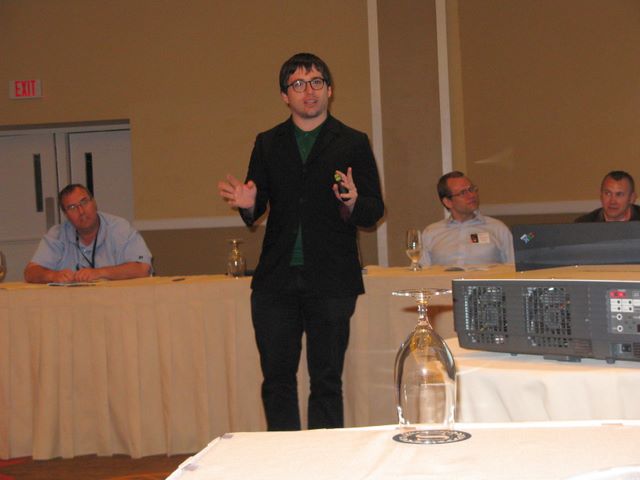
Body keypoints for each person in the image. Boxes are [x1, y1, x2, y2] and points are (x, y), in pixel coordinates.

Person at [218, 52, 384, 431]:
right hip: (276, 281)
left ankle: (324, 458)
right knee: (277, 381)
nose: (308, 91)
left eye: (315, 82)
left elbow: (374, 209)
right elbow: (255, 204)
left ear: (329, 90)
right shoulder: (268, 143)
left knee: (326, 381)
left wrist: (355, 202)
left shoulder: (353, 142)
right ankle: (284, 457)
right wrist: (248, 204)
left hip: (332, 279)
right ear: (285, 96)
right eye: (298, 84)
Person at [24, 184, 153, 283]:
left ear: (94, 203)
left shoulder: (120, 229)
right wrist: (53, 275)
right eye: (72, 207)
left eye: (84, 202)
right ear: (66, 214)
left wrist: (100, 273)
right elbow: (30, 272)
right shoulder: (57, 235)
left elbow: (142, 268)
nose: (81, 211)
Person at [420, 171, 514, 266]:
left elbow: (513, 267)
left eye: (472, 189)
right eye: (463, 193)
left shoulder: (497, 228)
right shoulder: (431, 233)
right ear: (448, 202)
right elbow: (421, 271)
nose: (472, 195)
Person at [575, 171, 640, 222]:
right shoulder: (583, 224)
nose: (612, 201)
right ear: (601, 196)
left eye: (619, 194)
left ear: (632, 198)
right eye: (608, 193)